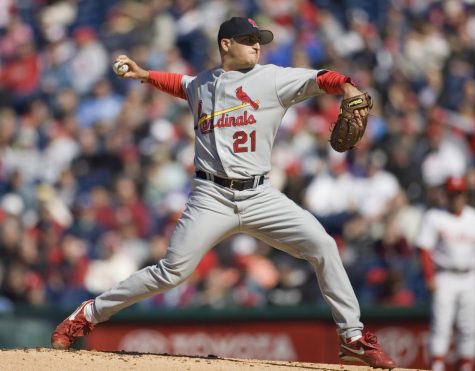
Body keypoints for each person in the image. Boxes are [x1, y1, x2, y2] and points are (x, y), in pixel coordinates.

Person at [51, 17, 396, 369]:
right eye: (249, 40)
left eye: (259, 40)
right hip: (210, 197)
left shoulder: (272, 78)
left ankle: (352, 337)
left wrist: (349, 86)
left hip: (260, 196)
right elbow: (182, 84)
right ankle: (89, 313)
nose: (257, 46)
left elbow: (321, 77)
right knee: (172, 272)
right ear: (226, 45)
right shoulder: (203, 82)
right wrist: (144, 75)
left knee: (322, 246)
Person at [416, 176, 475, 371]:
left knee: (469, 327)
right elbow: (425, 249)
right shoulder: (434, 216)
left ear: (465, 195)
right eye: (452, 194)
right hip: (444, 276)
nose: (456, 198)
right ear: (446, 195)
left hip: (469, 276)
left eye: (459, 194)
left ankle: (466, 367)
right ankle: (437, 367)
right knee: (442, 325)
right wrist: (430, 277)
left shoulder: (472, 217)